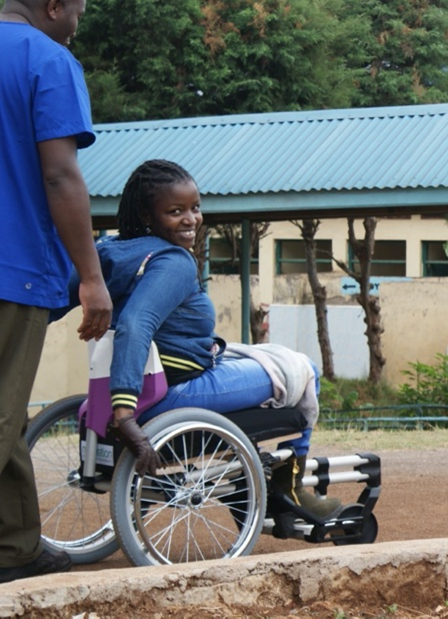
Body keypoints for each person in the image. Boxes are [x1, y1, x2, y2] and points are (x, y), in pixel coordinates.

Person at [51, 159, 343, 520]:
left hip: (136, 384)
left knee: (256, 358)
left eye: (195, 208)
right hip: (176, 390)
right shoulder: (174, 261)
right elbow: (134, 325)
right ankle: (290, 487)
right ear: (147, 214)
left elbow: (49, 302)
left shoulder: (107, 253)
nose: (191, 219)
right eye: (175, 211)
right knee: (305, 370)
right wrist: (124, 416)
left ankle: (248, 474)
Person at [0, 0, 111, 583]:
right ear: (53, 6)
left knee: (10, 408)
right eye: (79, 12)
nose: (77, 24)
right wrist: (90, 277)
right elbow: (59, 173)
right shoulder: (48, 59)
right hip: (10, 267)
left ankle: (14, 547)